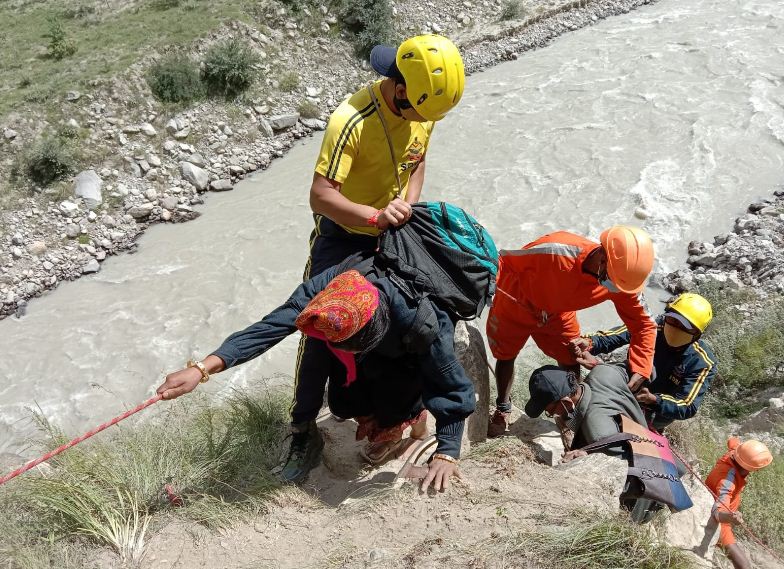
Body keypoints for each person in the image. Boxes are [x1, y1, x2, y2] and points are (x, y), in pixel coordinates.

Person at [290, 34, 466, 481]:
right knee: (316, 328)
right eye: (423, 113)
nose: (428, 122)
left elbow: (418, 161)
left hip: (393, 227)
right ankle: (301, 425)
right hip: (348, 233)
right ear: (402, 89)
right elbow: (321, 196)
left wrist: (406, 206)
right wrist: (374, 216)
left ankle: (401, 412)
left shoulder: (422, 108)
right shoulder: (351, 121)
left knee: (411, 321)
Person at [156, 266, 475, 492]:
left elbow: (451, 386)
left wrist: (447, 451)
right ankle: (383, 406)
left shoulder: (419, 322)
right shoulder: (326, 291)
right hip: (366, 342)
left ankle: (411, 419)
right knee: (342, 402)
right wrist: (202, 369)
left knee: (393, 403)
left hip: (402, 351)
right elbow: (271, 327)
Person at [487, 226, 657, 437]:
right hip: (517, 299)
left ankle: (568, 415)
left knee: (570, 357)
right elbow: (505, 261)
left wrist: (641, 367)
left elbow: (644, 325)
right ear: (603, 256)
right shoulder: (555, 251)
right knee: (506, 355)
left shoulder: (621, 280)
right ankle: (503, 408)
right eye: (610, 281)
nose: (613, 288)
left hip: (558, 311)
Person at [576, 293, 716, 431]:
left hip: (656, 411)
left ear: (697, 334)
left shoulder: (701, 362)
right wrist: (589, 343)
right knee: (601, 383)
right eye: (673, 320)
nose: (676, 328)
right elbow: (618, 335)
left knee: (627, 433)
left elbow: (687, 405)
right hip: (631, 383)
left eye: (685, 326)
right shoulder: (654, 327)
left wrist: (654, 400)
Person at [524, 363, 648, 459]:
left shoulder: (597, 433)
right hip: (650, 439)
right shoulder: (603, 371)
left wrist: (587, 458)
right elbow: (641, 370)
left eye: (551, 411)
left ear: (566, 403)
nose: (553, 415)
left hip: (651, 472)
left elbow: (625, 471)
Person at [705, 437, 773, 569]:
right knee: (744, 566)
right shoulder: (727, 482)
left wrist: (735, 439)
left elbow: (733, 441)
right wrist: (730, 517)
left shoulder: (735, 454)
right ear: (751, 468)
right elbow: (717, 512)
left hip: (723, 516)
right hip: (719, 524)